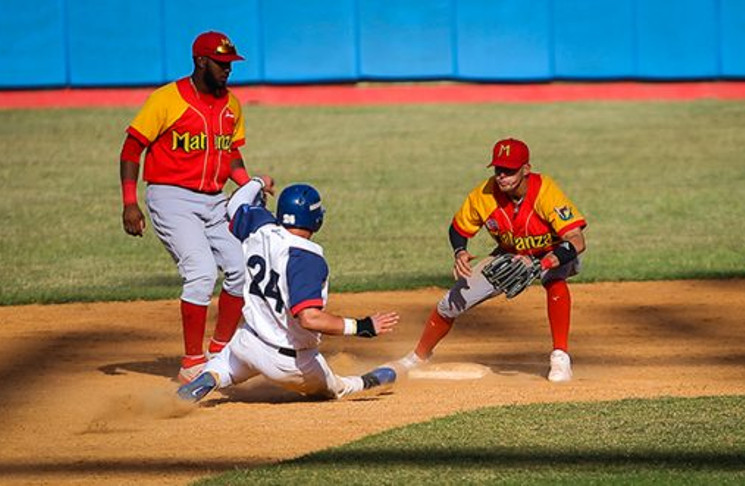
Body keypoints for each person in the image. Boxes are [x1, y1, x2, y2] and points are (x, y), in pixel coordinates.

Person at [119, 31, 274, 383]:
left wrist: (249, 184)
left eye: (230, 64)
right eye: (221, 64)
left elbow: (229, 152)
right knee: (202, 272)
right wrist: (130, 203)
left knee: (240, 268)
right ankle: (191, 363)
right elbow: (131, 150)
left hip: (214, 200)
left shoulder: (231, 104)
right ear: (200, 61)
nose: (227, 70)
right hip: (170, 197)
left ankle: (220, 350)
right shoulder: (167, 99)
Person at [178, 181, 399, 403]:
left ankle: (208, 378)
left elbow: (235, 202)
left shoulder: (260, 227)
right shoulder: (307, 259)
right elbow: (309, 318)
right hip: (290, 364)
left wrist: (258, 182)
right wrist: (363, 326)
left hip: (247, 342)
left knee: (223, 368)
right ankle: (366, 382)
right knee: (336, 389)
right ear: (316, 220)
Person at [395, 138, 587, 382]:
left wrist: (543, 263)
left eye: (509, 170)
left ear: (526, 169)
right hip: (509, 255)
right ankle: (417, 356)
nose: (502, 176)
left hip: (555, 251)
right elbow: (458, 228)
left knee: (554, 280)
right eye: (498, 169)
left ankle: (560, 358)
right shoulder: (484, 195)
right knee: (450, 303)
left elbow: (577, 240)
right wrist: (460, 252)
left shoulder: (546, 191)